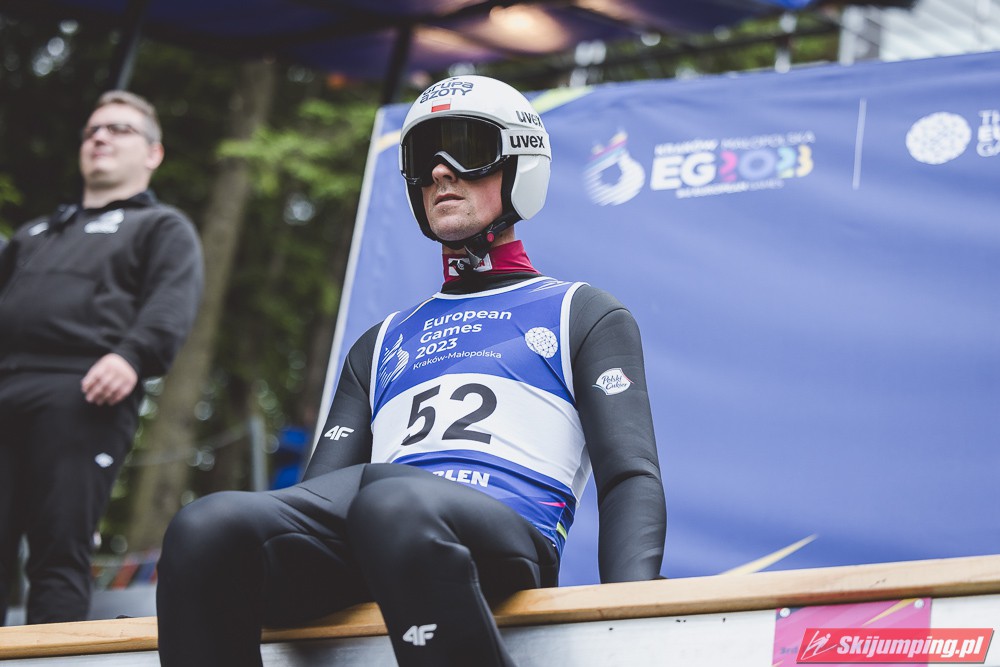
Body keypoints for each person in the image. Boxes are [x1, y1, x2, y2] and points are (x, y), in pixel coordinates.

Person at [156, 75, 665, 666]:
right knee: (206, 526)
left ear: (520, 165)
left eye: (468, 150)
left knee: (389, 500)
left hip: (500, 533)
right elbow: (315, 503)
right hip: (379, 530)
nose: (442, 172)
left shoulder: (582, 311)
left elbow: (628, 476)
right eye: (425, 159)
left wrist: (632, 618)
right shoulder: (380, 342)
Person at [0, 90, 204, 625]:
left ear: (153, 153)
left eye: (118, 129)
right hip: (5, 386)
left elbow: (171, 304)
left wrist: (132, 356)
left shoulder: (161, 227)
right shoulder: (36, 234)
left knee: (58, 546)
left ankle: (52, 660)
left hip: (84, 392)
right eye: (92, 130)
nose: (100, 138)